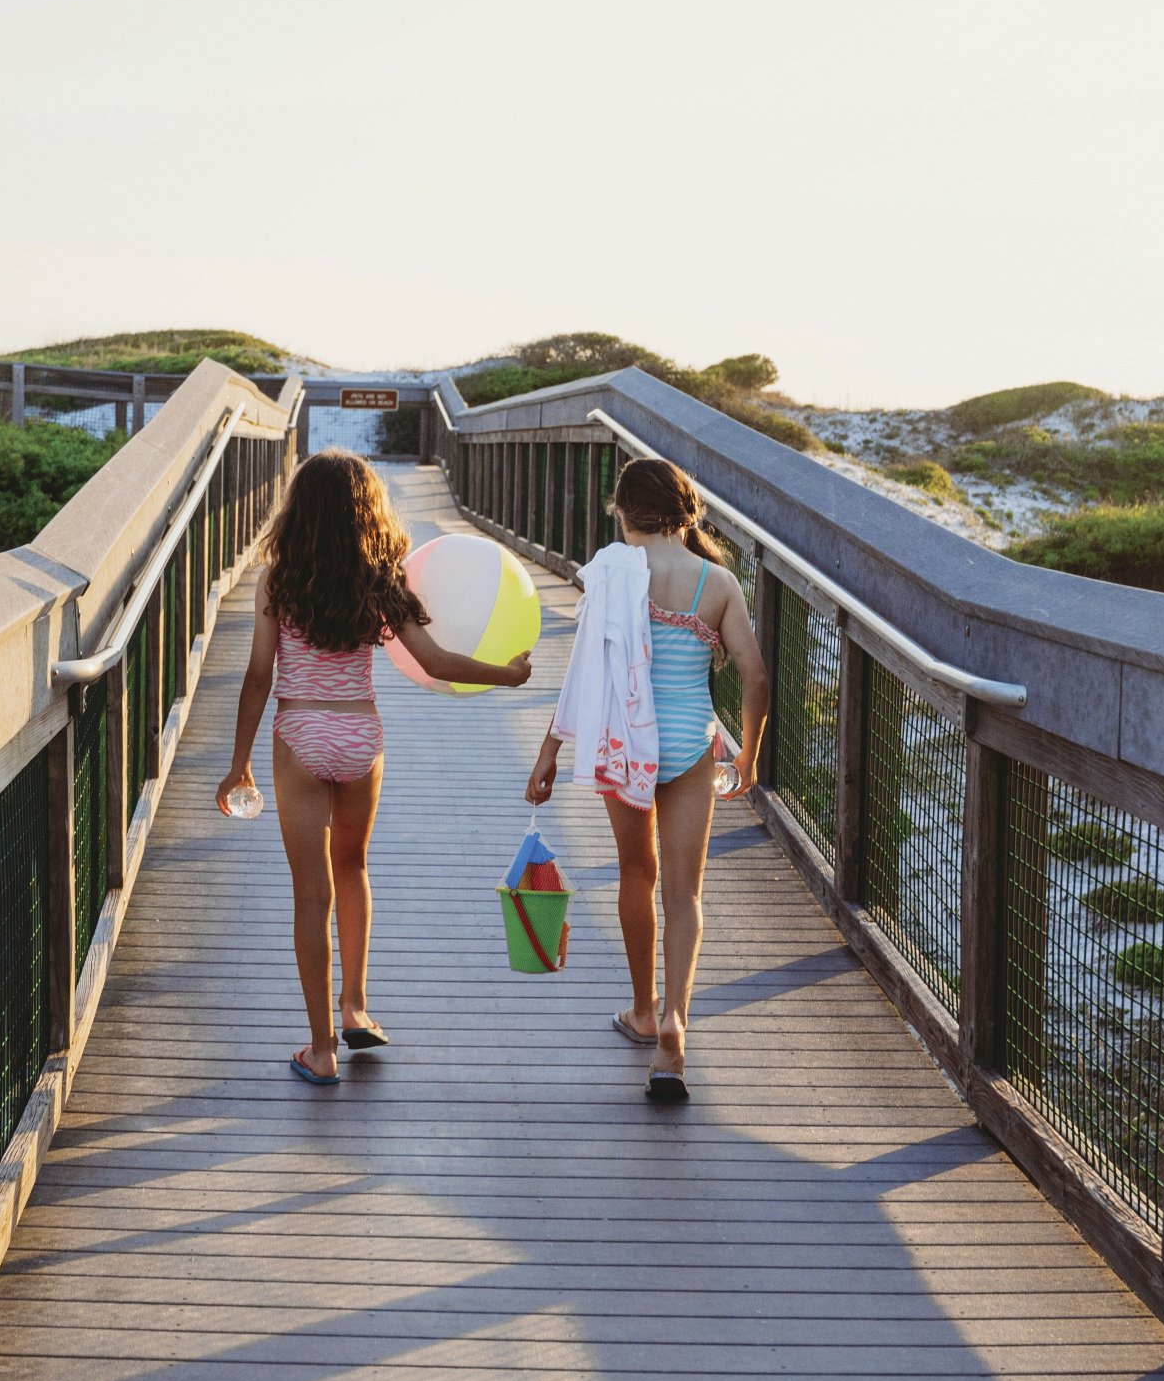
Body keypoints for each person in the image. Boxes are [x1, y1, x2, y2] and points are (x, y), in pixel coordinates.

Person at [220, 452, 533, 1087]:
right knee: (354, 868)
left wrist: (237, 766)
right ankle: (356, 1005)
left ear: (298, 509)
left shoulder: (278, 580)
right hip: (360, 734)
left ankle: (321, 1049)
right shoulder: (383, 581)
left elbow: (258, 676)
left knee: (311, 896)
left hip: (300, 731)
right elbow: (438, 662)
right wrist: (508, 674)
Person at [526, 457, 767, 1101]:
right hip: (690, 745)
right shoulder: (715, 583)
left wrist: (550, 750)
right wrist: (747, 756)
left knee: (639, 874)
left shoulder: (610, 575)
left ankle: (641, 1007)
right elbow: (757, 676)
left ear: (625, 512)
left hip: (623, 747)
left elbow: (583, 671)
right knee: (683, 895)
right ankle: (673, 1030)